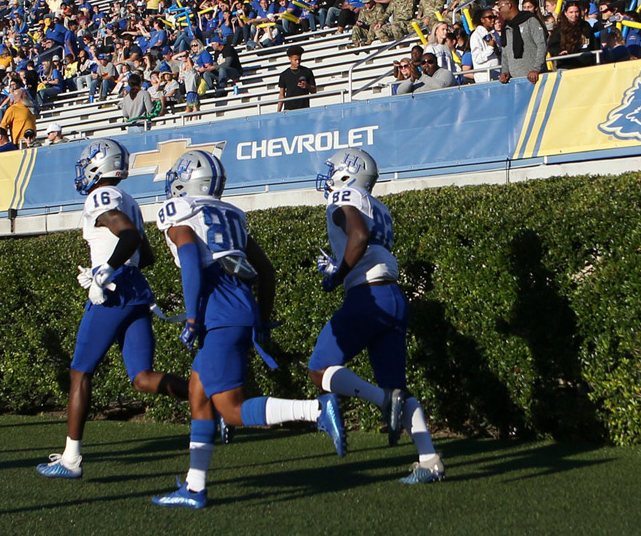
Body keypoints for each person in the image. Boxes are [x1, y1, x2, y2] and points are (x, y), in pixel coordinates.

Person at [149, 151, 347, 510]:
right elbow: (266, 271)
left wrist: (192, 317)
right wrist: (264, 320)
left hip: (218, 315)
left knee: (232, 410)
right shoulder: (231, 215)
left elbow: (191, 259)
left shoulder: (181, 214)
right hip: (241, 310)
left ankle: (316, 411)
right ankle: (195, 487)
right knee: (198, 392)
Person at [36, 139, 189, 479]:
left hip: (115, 292)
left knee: (80, 372)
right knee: (142, 377)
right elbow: (145, 255)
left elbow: (130, 237)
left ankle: (70, 459)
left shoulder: (100, 197)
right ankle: (210, 403)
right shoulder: (129, 199)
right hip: (135, 290)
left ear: (97, 165)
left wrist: (104, 270)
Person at [308, 148, 443, 483]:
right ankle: (430, 461)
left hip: (368, 296)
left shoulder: (345, 195)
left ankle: (382, 400)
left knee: (319, 370)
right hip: (395, 296)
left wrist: (338, 275)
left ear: (347, 175)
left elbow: (359, 235)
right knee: (398, 386)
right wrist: (342, 263)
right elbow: (367, 244)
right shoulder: (378, 206)